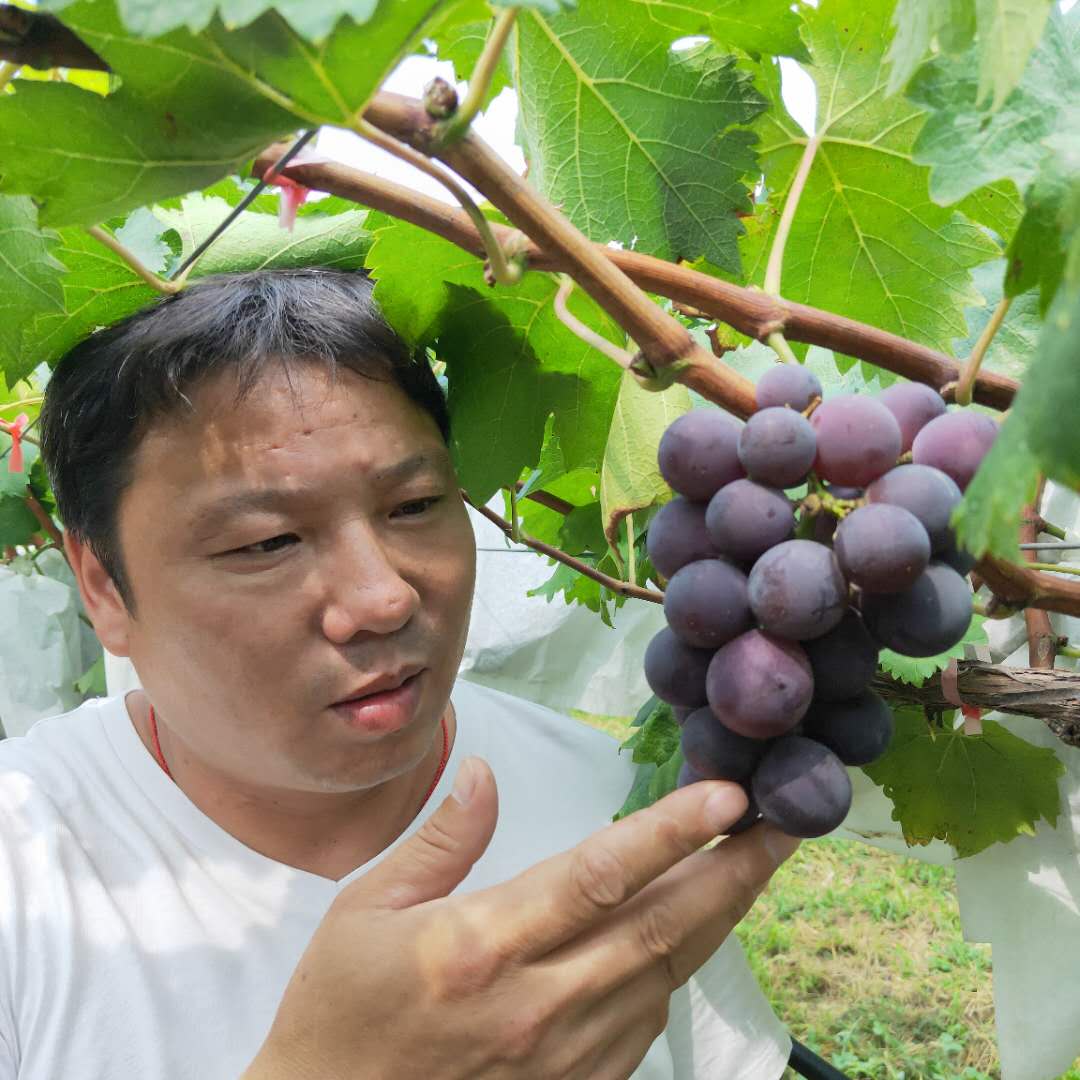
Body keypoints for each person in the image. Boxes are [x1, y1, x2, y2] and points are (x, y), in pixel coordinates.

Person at [0, 268, 799, 1079]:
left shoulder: (615, 810)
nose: (383, 598)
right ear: (101, 584)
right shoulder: (19, 871)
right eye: (267, 542)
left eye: (415, 504)